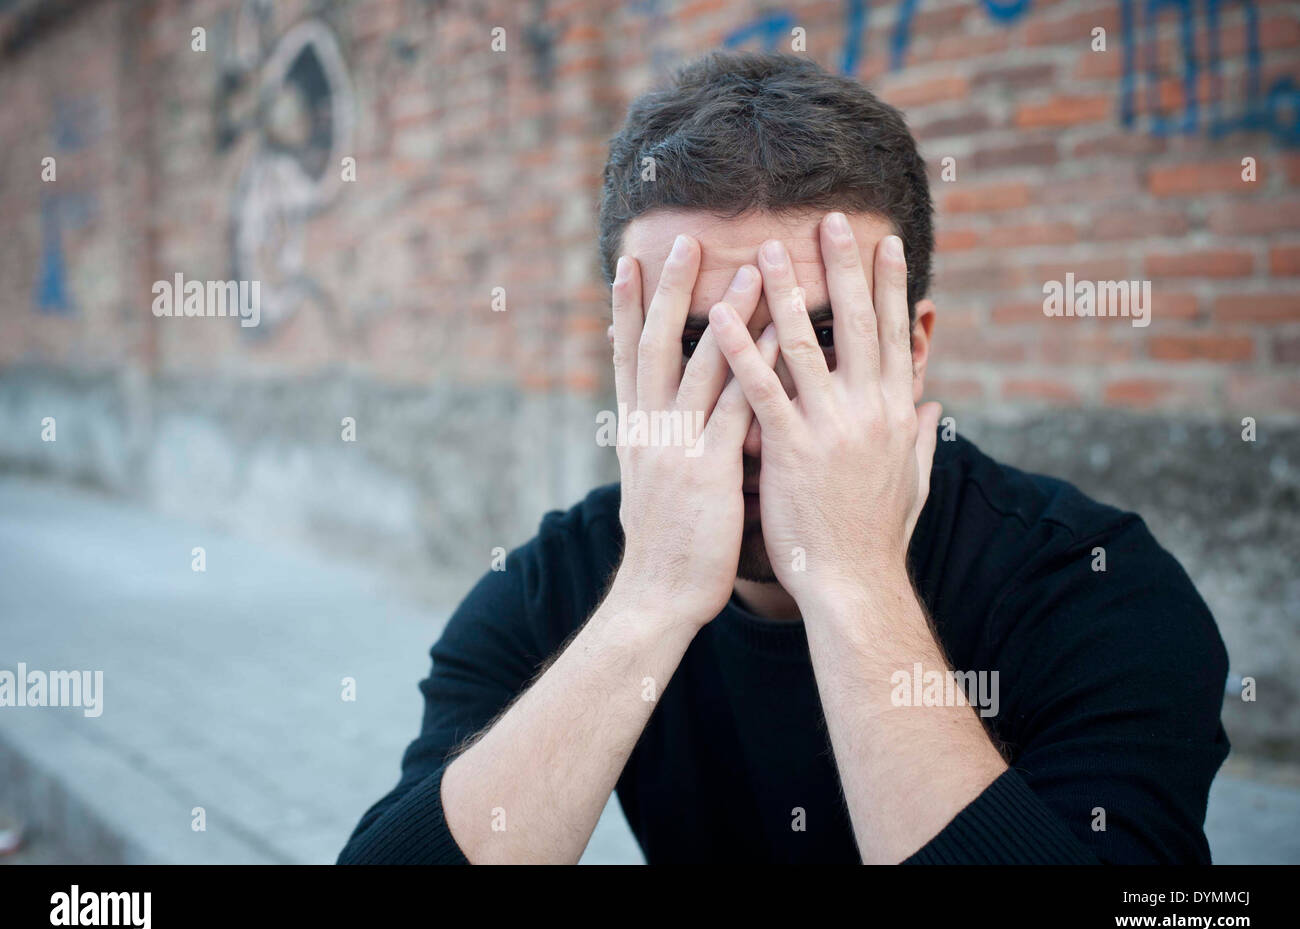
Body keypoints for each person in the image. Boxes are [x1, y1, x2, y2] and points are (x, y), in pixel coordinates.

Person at [338, 51, 1229, 865]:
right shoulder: (558, 589)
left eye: (820, 339)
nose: (758, 420)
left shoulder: (1096, 588)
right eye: (695, 350)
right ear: (624, 355)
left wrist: (853, 583)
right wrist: (648, 603)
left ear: (913, 347)